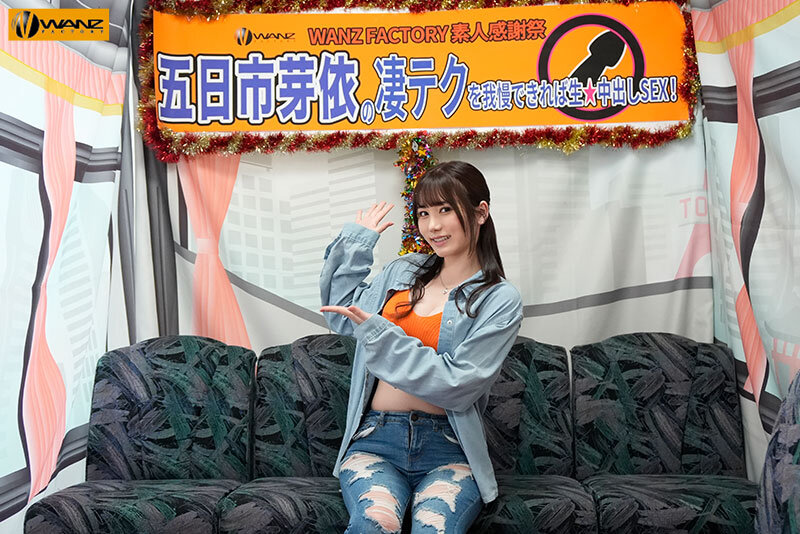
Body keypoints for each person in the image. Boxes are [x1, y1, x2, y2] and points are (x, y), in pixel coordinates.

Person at [319, 161, 523, 533]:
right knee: (375, 523)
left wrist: (381, 335)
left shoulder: (500, 299)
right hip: (375, 441)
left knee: (435, 528)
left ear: (480, 213)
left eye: (445, 210)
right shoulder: (404, 271)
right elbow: (342, 313)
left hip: (448, 448)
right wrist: (356, 245)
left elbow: (457, 384)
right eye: (424, 213)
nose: (432, 226)